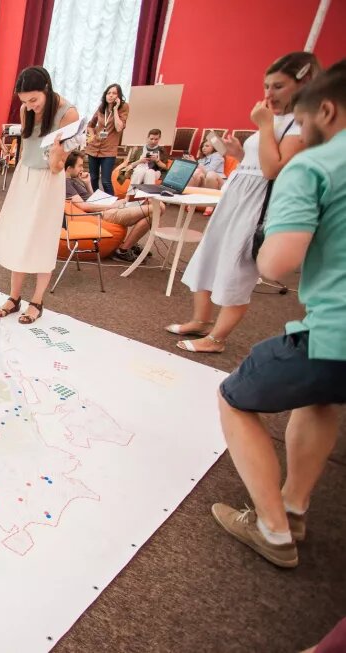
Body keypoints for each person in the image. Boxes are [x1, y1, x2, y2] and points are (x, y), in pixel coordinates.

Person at [210, 60, 346, 569]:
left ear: (324, 110)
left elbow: (277, 262)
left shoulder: (313, 165)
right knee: (321, 399)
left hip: (335, 330)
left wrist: (266, 252)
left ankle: (272, 529)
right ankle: (294, 506)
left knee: (234, 397)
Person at [170, 51, 319, 353]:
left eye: (278, 86)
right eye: (267, 86)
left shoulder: (299, 124)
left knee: (237, 266)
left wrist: (264, 126)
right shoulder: (273, 119)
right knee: (209, 254)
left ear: (302, 84)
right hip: (236, 195)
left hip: (257, 204)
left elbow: (273, 169)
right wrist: (236, 153)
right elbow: (258, 160)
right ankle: (201, 320)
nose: (268, 94)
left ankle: (217, 339)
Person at [0, 66, 78, 323]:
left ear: (47, 89)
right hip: (24, 176)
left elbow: (57, 166)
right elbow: (27, 146)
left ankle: (37, 301)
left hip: (49, 180)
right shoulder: (25, 109)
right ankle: (14, 297)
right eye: (24, 101)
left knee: (41, 238)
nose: (30, 106)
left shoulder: (68, 114)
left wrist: (58, 151)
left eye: (34, 100)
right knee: (19, 235)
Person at [64, 151, 153, 262]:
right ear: (69, 168)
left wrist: (87, 183)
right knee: (155, 209)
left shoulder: (73, 180)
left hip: (104, 207)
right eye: (80, 166)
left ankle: (128, 244)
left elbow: (92, 199)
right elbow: (84, 207)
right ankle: (123, 250)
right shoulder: (66, 183)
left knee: (150, 206)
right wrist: (112, 206)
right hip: (102, 214)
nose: (82, 169)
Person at [85, 83, 128, 195]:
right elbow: (90, 125)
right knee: (93, 178)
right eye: (108, 93)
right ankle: (96, 201)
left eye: (114, 93)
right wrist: (92, 136)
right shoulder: (101, 108)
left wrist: (115, 109)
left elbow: (119, 128)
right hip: (94, 148)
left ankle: (111, 206)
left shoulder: (124, 108)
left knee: (105, 181)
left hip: (108, 150)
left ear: (119, 96)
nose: (111, 95)